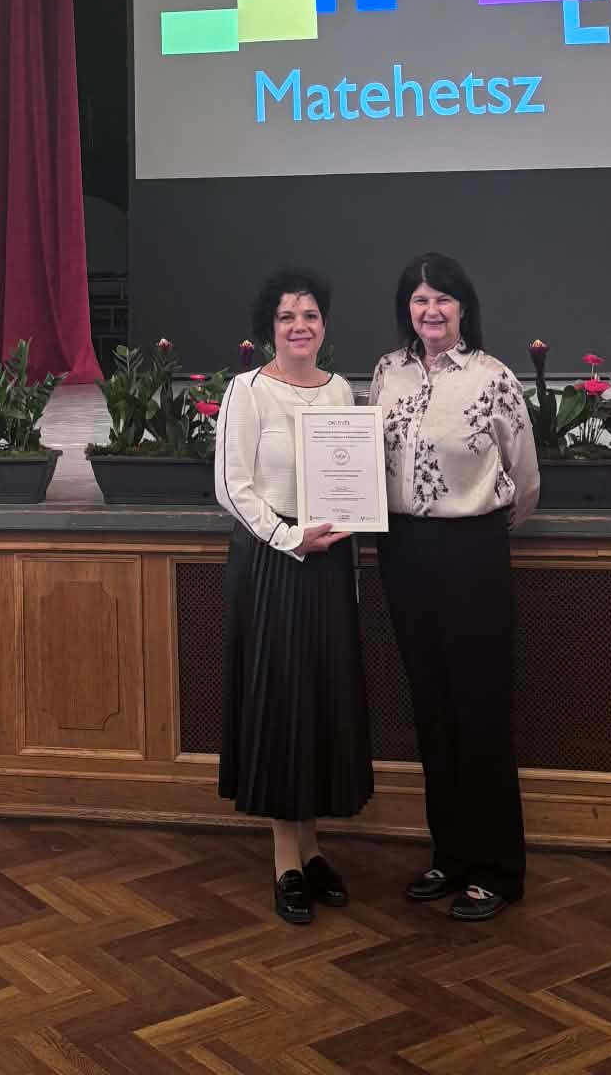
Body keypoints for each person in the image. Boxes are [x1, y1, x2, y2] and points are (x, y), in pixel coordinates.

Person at [367, 251, 538, 922]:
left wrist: (476, 526)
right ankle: (451, 855)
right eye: (419, 300)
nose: (431, 310)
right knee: (431, 706)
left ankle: (497, 869)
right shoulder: (386, 372)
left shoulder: (493, 379)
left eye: (442, 298)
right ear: (406, 310)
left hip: (472, 552)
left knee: (480, 707)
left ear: (463, 307)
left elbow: (525, 482)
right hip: (402, 550)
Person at [215, 268, 373, 926]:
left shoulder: (340, 391)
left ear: (323, 325)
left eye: (310, 315)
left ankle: (312, 848)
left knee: (321, 701)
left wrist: (350, 520)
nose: (300, 326)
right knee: (281, 704)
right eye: (287, 317)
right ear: (269, 328)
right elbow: (233, 487)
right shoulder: (247, 391)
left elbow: (351, 474)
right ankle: (284, 859)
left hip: (329, 564)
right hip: (274, 563)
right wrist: (288, 538)